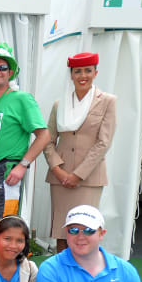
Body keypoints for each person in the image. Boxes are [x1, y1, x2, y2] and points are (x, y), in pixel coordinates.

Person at [0, 41, 49, 246]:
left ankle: (5, 274)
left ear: (10, 72)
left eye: (2, 68)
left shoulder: (22, 99)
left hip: (5, 172)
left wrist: (23, 165)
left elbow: (44, 135)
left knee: (3, 227)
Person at [43, 52, 117, 253]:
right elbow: (47, 140)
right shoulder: (60, 104)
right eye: (78, 71)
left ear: (95, 73)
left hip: (89, 178)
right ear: (71, 75)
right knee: (61, 231)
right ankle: (62, 276)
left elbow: (104, 142)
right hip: (60, 177)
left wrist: (77, 175)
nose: (82, 75)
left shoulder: (107, 101)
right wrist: (58, 170)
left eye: (87, 70)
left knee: (85, 231)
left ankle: (84, 277)